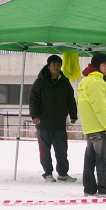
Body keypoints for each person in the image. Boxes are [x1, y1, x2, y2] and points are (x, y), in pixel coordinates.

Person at [29, 54, 78, 182]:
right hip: (44, 123)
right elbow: (33, 100)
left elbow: (70, 99)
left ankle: (62, 173)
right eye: (54, 64)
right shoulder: (40, 82)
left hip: (60, 123)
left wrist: (73, 114)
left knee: (62, 150)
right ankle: (48, 173)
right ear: (48, 66)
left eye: (58, 64)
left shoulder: (65, 81)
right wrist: (35, 115)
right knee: (45, 151)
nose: (56, 67)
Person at [77, 53, 106, 198]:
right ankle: (105, 189)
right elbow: (99, 105)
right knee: (103, 159)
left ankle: (89, 188)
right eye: (104, 65)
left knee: (90, 159)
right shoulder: (96, 82)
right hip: (99, 126)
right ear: (97, 66)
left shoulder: (84, 81)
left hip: (90, 126)